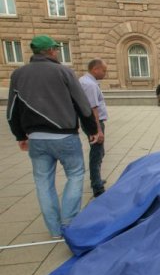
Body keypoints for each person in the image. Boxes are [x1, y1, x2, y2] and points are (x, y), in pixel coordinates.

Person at [6, 35, 99, 239]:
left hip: (37, 138)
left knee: (43, 182)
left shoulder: (18, 74)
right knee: (75, 175)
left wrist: (20, 135)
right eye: (55, 49)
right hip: (65, 136)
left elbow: (12, 109)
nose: (57, 52)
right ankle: (69, 221)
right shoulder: (64, 72)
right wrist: (92, 130)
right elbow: (82, 105)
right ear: (50, 51)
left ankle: (55, 230)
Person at [79, 59, 108, 198]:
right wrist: (98, 130)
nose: (105, 73)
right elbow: (93, 108)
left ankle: (96, 179)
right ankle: (97, 186)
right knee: (97, 152)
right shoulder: (89, 85)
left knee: (99, 151)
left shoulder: (85, 81)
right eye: (104, 70)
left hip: (90, 122)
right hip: (93, 123)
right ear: (95, 69)